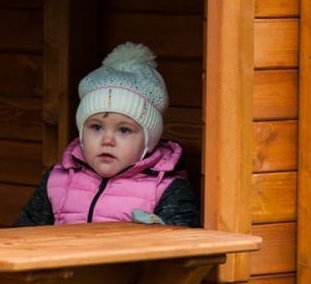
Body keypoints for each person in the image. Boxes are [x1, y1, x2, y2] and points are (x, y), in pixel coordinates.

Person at [14, 42, 200, 228]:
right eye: (96, 127)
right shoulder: (58, 180)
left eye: (124, 130)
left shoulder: (165, 188)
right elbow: (22, 237)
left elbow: (183, 247)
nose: (107, 140)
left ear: (148, 141)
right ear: (82, 133)